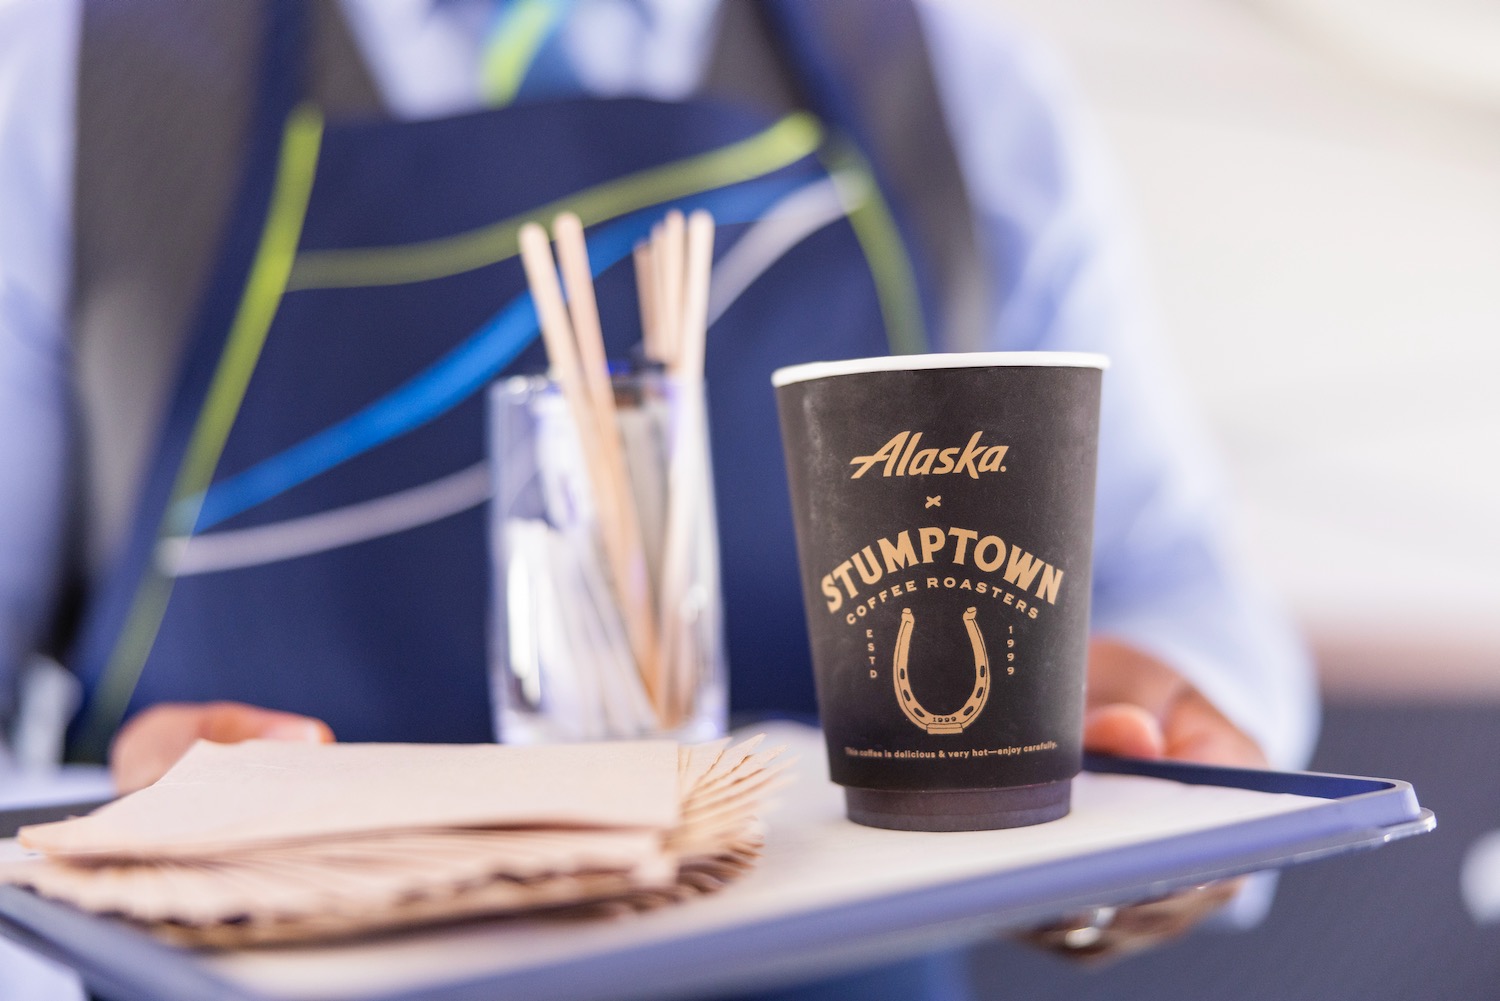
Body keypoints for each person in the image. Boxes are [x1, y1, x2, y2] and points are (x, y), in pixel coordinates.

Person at [0, 0, 1317, 996]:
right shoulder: (72, 76)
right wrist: (124, 849)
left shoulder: (941, 63)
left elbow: (1174, 588)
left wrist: (1163, 763)